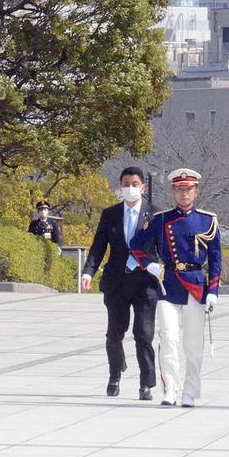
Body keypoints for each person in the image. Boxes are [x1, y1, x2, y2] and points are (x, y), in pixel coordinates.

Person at [130, 168, 221, 408]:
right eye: (180, 189)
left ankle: (190, 391)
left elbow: (215, 259)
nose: (184, 194)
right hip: (168, 284)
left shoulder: (207, 220)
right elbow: (137, 245)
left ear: (196, 191)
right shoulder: (161, 220)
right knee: (168, 337)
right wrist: (149, 265)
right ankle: (170, 387)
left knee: (192, 343)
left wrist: (213, 291)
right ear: (173, 192)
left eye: (188, 189)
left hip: (195, 284)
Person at [80, 167, 157, 400]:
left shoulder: (155, 215)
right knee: (114, 333)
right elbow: (98, 246)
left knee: (144, 334)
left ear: (143, 187)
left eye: (135, 184)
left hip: (145, 284)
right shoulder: (110, 214)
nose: (130, 188)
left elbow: (164, 248)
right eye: (126, 184)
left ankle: (146, 384)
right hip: (117, 282)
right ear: (120, 186)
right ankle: (115, 375)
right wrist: (88, 272)